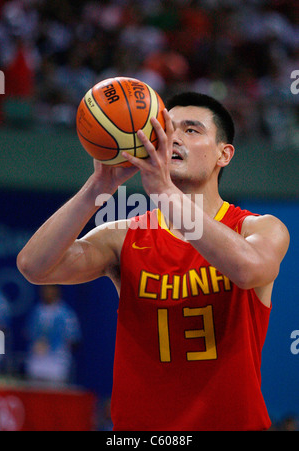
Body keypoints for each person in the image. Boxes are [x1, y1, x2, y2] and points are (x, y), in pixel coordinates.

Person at [17, 92, 290, 431]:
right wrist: (98, 187)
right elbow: (34, 266)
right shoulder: (123, 236)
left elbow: (248, 271)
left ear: (225, 154)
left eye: (191, 130)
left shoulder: (259, 228)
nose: (173, 137)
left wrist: (165, 193)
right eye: (168, 128)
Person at [25, 284, 81, 385]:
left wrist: (57, 346)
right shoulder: (36, 311)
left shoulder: (66, 314)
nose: (47, 293)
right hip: (37, 361)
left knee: (54, 395)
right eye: (45, 290)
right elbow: (29, 333)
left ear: (57, 291)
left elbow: (74, 339)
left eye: (50, 290)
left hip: (57, 361)